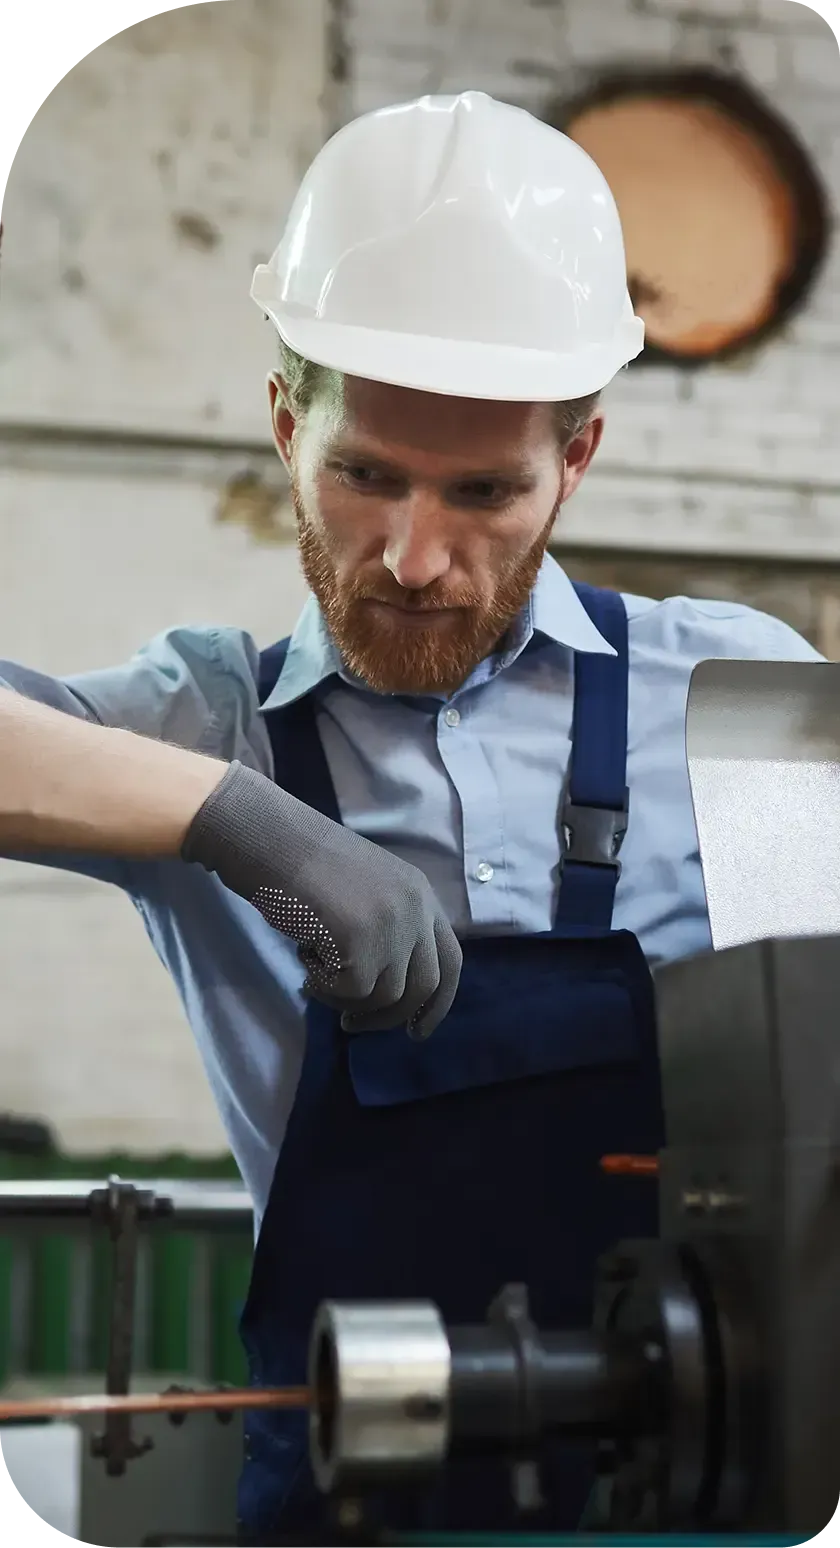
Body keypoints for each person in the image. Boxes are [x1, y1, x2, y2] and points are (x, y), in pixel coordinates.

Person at [0, 90, 823, 1539]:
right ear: (282, 420)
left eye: (485, 491)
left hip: (709, 1497)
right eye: (364, 474)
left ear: (575, 459)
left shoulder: (737, 701)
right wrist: (227, 816)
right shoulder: (211, 719)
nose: (415, 556)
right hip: (348, 1494)